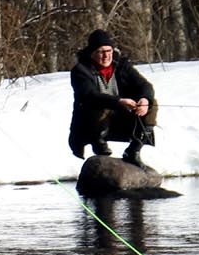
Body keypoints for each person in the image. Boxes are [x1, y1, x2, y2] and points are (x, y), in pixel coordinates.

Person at [66, 28, 158, 165]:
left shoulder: (122, 66)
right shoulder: (80, 70)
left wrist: (144, 100)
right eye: (101, 52)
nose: (106, 55)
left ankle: (134, 150)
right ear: (92, 53)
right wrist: (119, 101)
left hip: (120, 119)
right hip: (89, 124)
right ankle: (99, 147)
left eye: (109, 51)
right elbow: (89, 96)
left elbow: (145, 86)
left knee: (151, 103)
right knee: (98, 104)